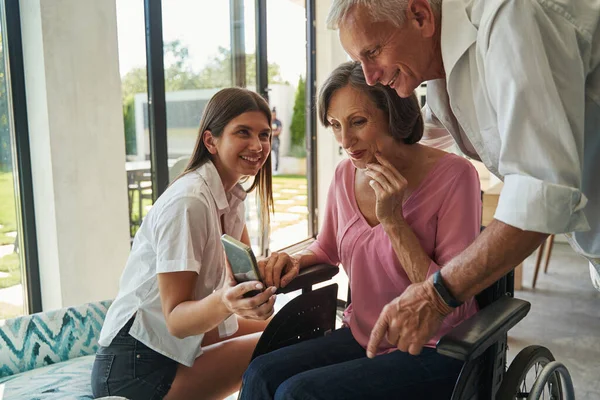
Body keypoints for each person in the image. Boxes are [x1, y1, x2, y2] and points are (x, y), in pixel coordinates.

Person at [326, 0, 600, 357]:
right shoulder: (443, 73)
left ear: (420, 15)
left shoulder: (511, 15)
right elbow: (420, 139)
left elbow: (540, 191)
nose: (371, 75)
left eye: (373, 52)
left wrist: (436, 294)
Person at [239, 61, 481, 399]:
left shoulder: (455, 176)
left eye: (358, 122)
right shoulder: (344, 175)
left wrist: (394, 221)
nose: (345, 141)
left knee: (298, 394)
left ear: (393, 114)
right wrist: (293, 260)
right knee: (260, 373)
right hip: (362, 336)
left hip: (433, 347)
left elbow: (452, 295)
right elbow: (327, 250)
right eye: (335, 125)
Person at [91, 88, 297, 400]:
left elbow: (241, 280)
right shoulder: (190, 202)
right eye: (243, 132)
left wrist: (267, 275)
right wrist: (229, 302)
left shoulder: (233, 197)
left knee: (287, 328)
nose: (258, 146)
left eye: (265, 134)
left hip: (175, 347)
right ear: (210, 141)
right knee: (284, 346)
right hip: (134, 366)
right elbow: (175, 319)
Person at [271, 107, 282, 173]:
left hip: (275, 140)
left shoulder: (278, 122)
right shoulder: (268, 121)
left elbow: (279, 131)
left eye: (274, 114)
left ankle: (276, 169)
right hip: (269, 140)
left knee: (276, 154)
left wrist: (272, 133)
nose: (273, 116)